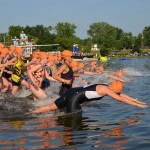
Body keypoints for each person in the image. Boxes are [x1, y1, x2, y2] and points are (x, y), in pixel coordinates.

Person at [30, 70, 148, 114]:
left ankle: (29, 114)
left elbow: (122, 95)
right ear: (113, 88)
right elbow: (120, 99)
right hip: (74, 99)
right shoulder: (106, 89)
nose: (115, 93)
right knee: (74, 119)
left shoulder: (106, 86)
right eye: (115, 92)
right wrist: (136, 105)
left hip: (72, 92)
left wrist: (138, 101)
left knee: (51, 107)